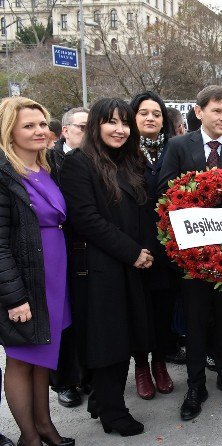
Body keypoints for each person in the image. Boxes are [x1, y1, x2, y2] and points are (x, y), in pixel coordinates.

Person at [158, 85, 222, 421]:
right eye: (218, 111)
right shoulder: (178, 146)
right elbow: (165, 192)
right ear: (199, 112)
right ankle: (196, 385)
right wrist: (199, 195)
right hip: (192, 255)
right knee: (196, 321)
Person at [60, 98, 154, 437]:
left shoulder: (129, 162)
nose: (120, 129)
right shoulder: (79, 164)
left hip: (130, 263)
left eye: (125, 123)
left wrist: (146, 251)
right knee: (106, 341)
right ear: (97, 126)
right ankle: (114, 412)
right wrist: (132, 252)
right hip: (99, 267)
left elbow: (143, 211)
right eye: (111, 122)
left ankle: (102, 398)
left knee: (127, 335)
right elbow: (86, 219)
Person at [0, 97, 73, 446]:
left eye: (43, 124)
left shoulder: (46, 167)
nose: (40, 131)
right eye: (29, 125)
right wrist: (15, 297)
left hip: (53, 277)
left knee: (45, 355)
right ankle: (29, 438)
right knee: (21, 359)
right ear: (9, 131)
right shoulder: (4, 175)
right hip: (25, 280)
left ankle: (45, 426)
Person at [128, 91, 177, 401]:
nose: (150, 118)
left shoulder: (175, 149)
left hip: (170, 246)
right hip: (135, 246)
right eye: (143, 112)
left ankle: (160, 362)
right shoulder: (123, 152)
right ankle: (142, 366)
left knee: (163, 309)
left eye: (156, 114)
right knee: (138, 310)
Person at [47, 107, 90, 409]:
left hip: (87, 251)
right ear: (65, 131)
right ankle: (64, 381)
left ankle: (86, 374)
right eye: (82, 127)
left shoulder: (97, 160)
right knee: (62, 321)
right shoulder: (49, 161)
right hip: (57, 248)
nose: (88, 133)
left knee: (85, 315)